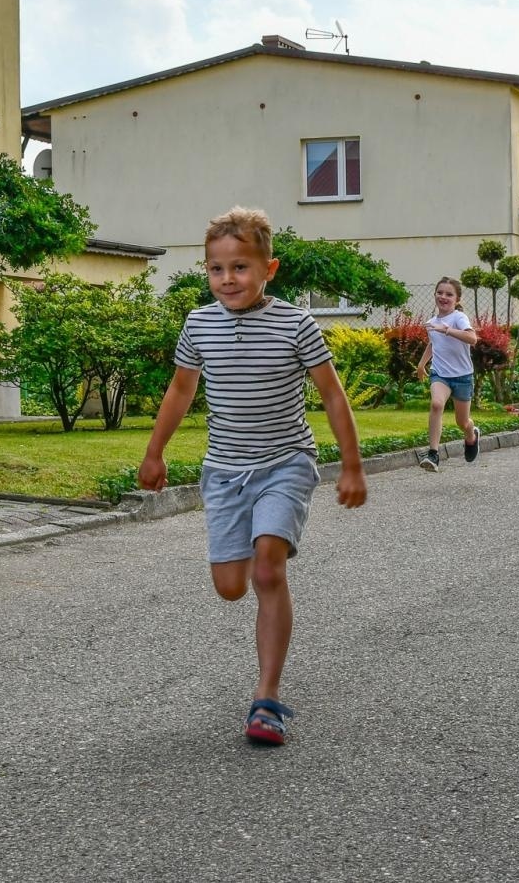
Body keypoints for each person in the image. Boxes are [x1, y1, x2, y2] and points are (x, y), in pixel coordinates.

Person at [138, 207, 366, 746]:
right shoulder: (199, 324)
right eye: (216, 269)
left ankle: (266, 699)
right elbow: (180, 391)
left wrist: (352, 465)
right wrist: (155, 453)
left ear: (270, 268)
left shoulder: (296, 324)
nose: (227, 279)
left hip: (286, 462)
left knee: (267, 571)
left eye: (240, 267)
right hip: (224, 471)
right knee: (231, 587)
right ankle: (260, 561)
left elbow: (332, 395)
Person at [414, 277, 481, 470]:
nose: (443, 297)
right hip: (440, 374)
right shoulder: (432, 323)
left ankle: (471, 435)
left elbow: (472, 338)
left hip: (462, 377)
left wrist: (448, 330)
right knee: (436, 404)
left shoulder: (459, 318)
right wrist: (421, 364)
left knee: (462, 422)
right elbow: (434, 344)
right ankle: (433, 454)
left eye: (449, 294)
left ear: (457, 299)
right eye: (440, 293)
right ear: (435, 295)